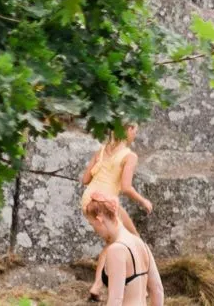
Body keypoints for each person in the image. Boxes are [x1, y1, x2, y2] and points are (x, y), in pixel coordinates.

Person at [82, 126, 154, 299]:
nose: (136, 133)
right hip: (106, 203)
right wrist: (143, 200)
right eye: (135, 129)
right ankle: (142, 286)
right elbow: (126, 187)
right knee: (133, 237)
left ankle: (97, 285)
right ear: (127, 129)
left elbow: (85, 179)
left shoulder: (101, 150)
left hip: (88, 200)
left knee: (113, 242)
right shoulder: (130, 156)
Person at [83, 197, 165, 306]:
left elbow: (116, 300)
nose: (95, 231)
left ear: (99, 220)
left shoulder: (116, 249)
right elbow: (158, 290)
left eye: (92, 225)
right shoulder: (141, 244)